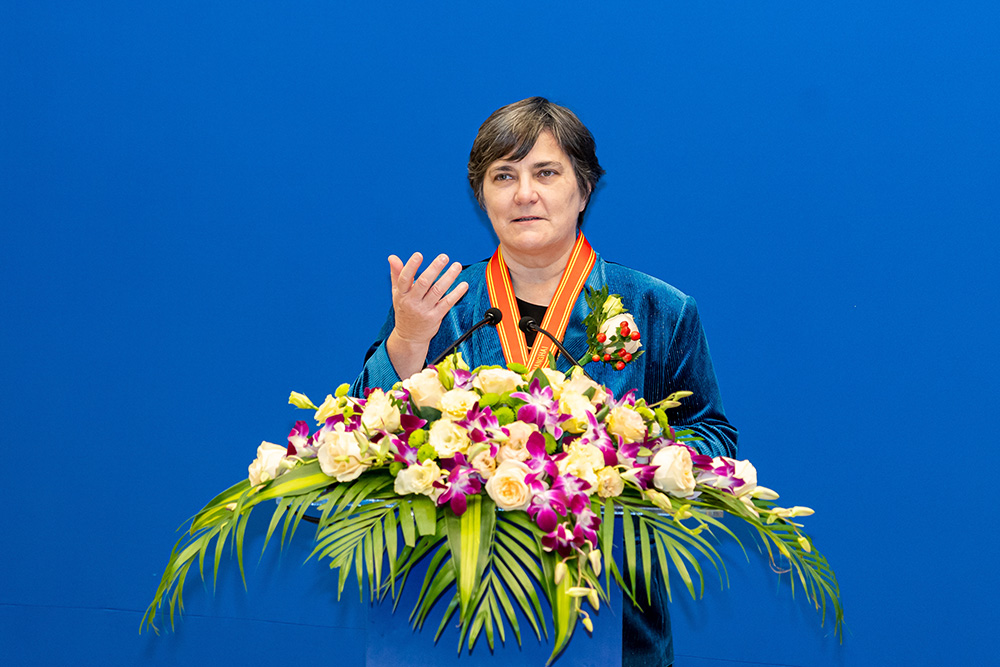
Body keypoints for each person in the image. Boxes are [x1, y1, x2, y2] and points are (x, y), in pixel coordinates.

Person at [352, 96, 737, 667]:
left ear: (583, 189)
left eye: (546, 173)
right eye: (502, 176)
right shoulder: (440, 304)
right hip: (449, 613)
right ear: (481, 196)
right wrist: (408, 341)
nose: (524, 194)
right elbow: (363, 436)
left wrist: (626, 460)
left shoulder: (656, 308)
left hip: (610, 614)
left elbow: (712, 436)